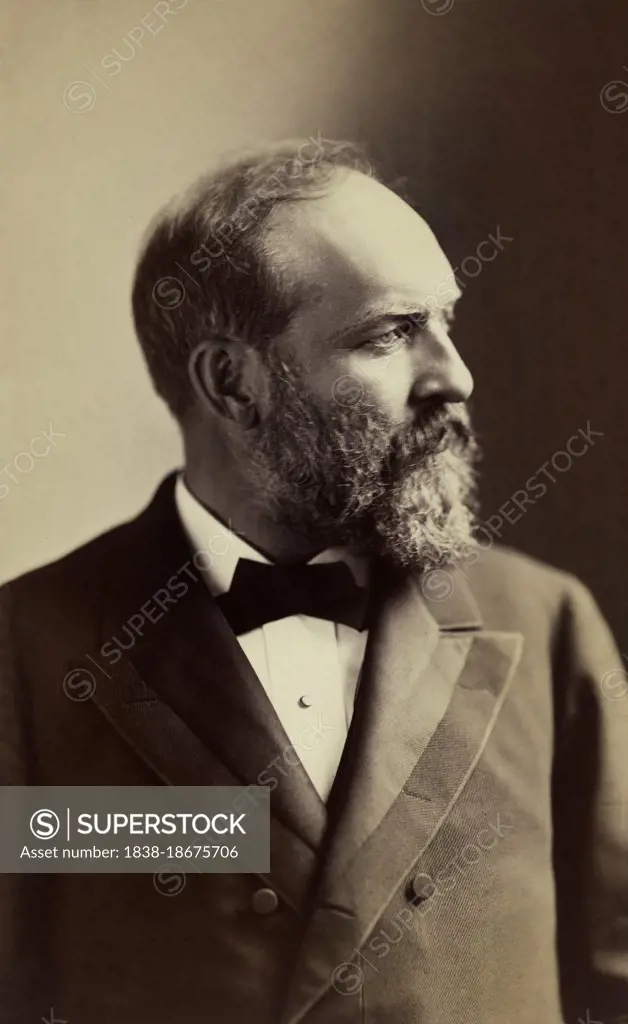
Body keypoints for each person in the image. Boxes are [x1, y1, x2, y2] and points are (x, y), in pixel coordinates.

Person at [1, 139, 627, 1024]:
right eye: (391, 334)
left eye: (446, 322)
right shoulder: (29, 651)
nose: (454, 376)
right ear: (232, 383)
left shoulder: (548, 623)